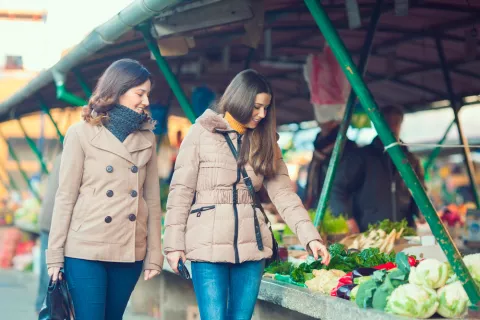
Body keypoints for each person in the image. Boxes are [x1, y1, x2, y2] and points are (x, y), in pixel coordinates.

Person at [163, 69, 331, 320]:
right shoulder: (200, 133)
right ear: (239, 99)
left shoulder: (265, 142)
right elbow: (181, 192)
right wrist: (173, 244)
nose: (262, 114)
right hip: (206, 247)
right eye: (256, 107)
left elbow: (284, 195)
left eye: (266, 108)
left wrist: (311, 237)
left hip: (252, 246)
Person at [46, 59, 163, 320]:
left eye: (148, 94)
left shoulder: (147, 138)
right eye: (140, 93)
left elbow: (152, 200)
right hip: (85, 247)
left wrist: (155, 253)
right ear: (119, 90)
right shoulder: (80, 133)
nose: (145, 101)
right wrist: (55, 256)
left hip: (129, 248)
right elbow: (65, 196)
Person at [330, 105, 425, 233]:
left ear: (401, 124)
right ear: (377, 126)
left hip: (405, 231)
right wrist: (348, 218)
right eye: (387, 123)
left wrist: (422, 212)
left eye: (396, 122)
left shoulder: (411, 160)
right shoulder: (361, 157)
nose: (392, 127)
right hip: (370, 232)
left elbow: (420, 192)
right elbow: (337, 188)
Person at [304, 121, 357, 209]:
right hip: (316, 202)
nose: (321, 121)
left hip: (340, 204)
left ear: (335, 122)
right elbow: (310, 183)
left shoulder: (348, 147)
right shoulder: (317, 149)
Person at [35, 151, 62, 313]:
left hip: (48, 220)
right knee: (51, 270)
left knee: (47, 270)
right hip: (54, 221)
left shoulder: (60, 156)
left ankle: (41, 308)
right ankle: (48, 310)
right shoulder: (78, 155)